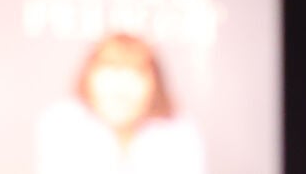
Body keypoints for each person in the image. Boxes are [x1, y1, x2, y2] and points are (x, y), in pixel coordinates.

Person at [35, 32, 205, 174]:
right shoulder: (62, 124)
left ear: (154, 85)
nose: (121, 88)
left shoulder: (179, 133)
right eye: (111, 70)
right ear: (88, 78)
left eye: (135, 73)